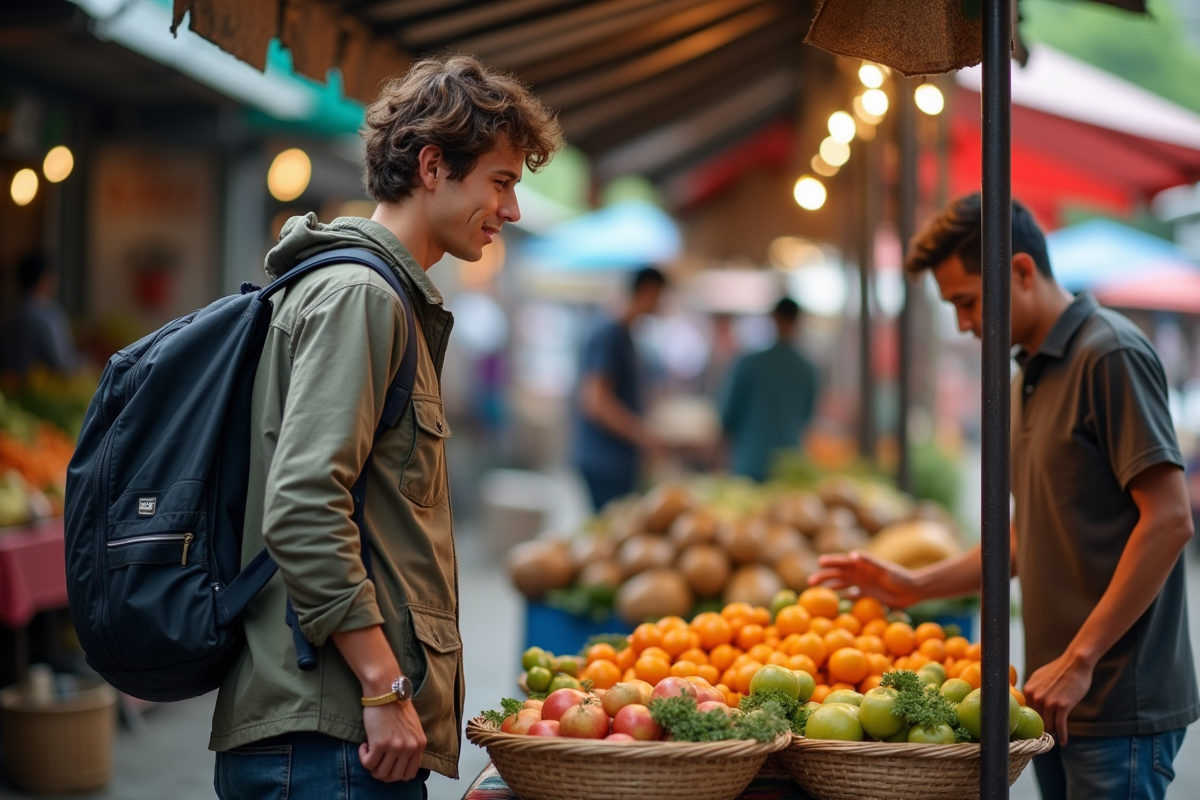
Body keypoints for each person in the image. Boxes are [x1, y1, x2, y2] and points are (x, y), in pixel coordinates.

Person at [208, 55, 560, 799]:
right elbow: (304, 503)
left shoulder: (379, 294)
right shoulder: (361, 296)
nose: (512, 209)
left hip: (333, 736)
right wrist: (381, 685)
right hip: (335, 739)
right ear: (433, 166)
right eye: (500, 181)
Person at [810, 193, 1197, 800]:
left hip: (1119, 701)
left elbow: (1170, 519)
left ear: (1020, 271)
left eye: (967, 302)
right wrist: (914, 586)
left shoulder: (1109, 354)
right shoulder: (1026, 376)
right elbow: (1027, 534)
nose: (964, 323)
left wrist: (1080, 659)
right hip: (1052, 697)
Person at [572, 267, 667, 511]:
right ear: (648, 291)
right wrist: (642, 434)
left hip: (615, 460)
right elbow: (596, 401)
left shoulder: (625, 335)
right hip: (605, 461)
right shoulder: (609, 334)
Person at [720, 297, 820, 481]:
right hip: (789, 462)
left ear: (774, 318)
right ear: (797, 321)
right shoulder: (807, 369)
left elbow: (727, 414)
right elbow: (806, 417)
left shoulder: (748, 364)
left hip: (751, 460)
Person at [0, 253, 79, 377]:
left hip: (8, 385)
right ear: (44, 278)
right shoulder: (50, 316)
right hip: (44, 385)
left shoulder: (8, 316)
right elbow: (63, 363)